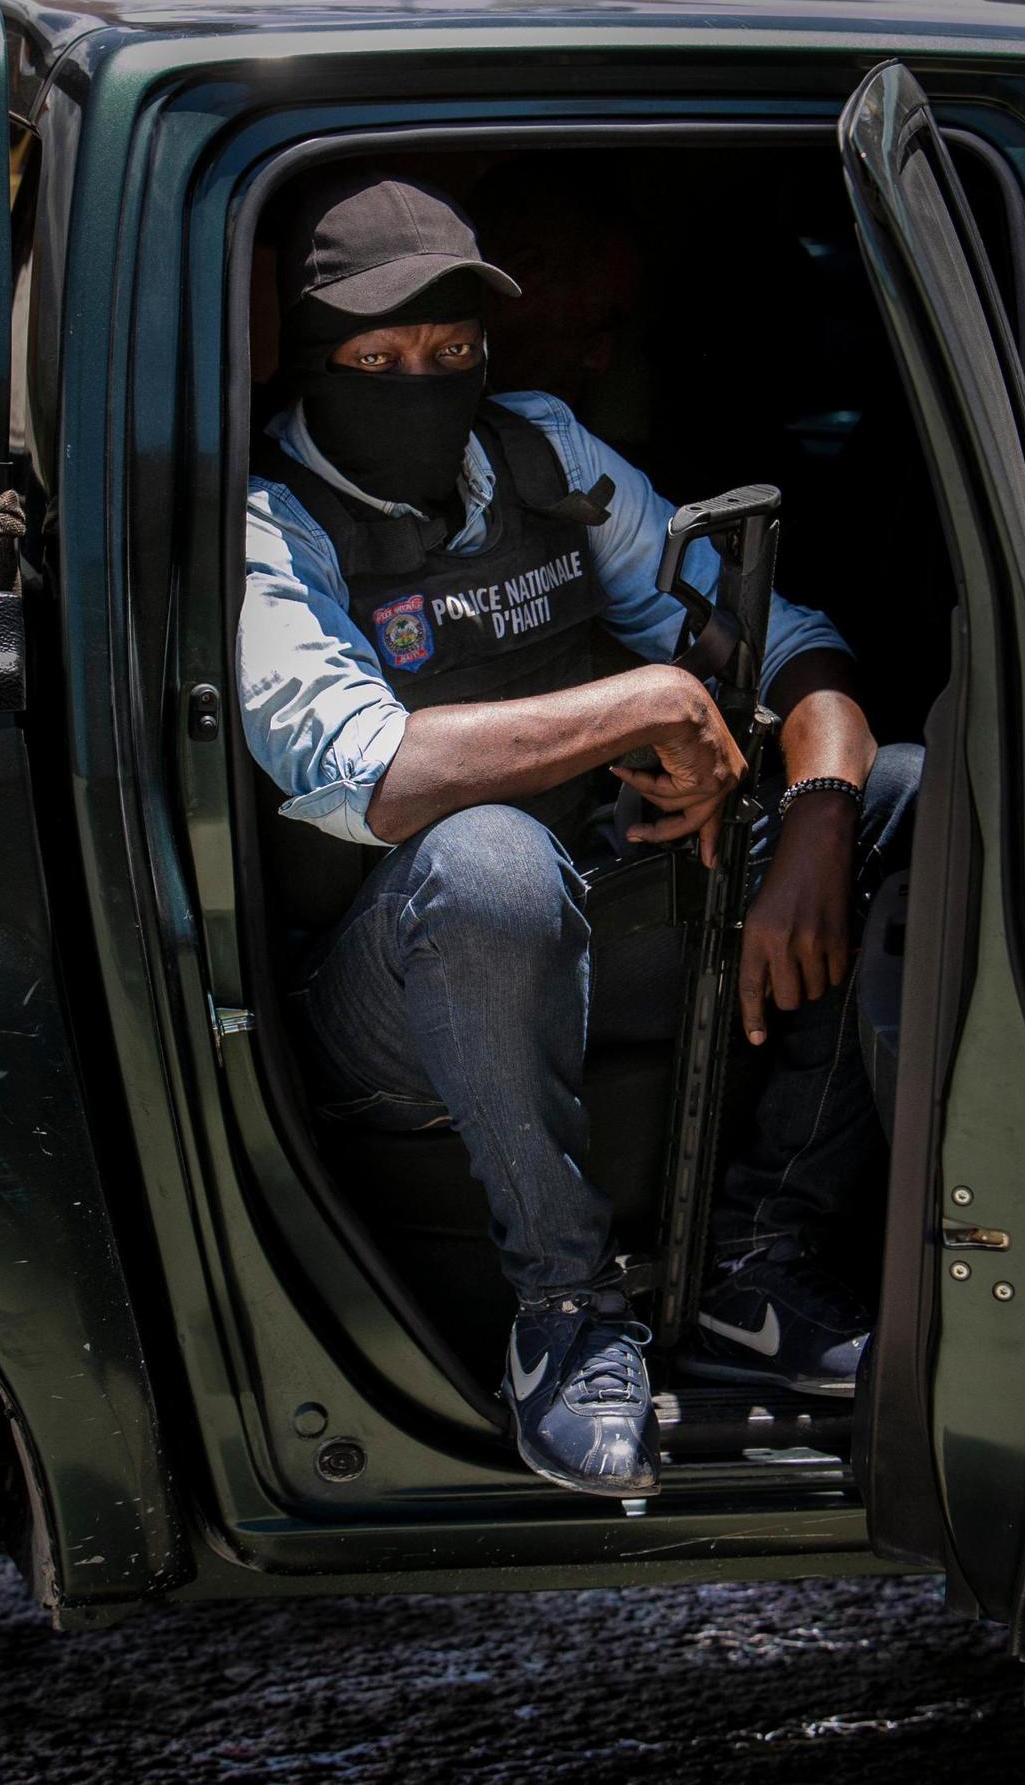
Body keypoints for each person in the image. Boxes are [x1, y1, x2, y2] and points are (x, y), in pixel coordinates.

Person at [239, 167, 921, 1501]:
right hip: (386, 976)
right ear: (311, 364)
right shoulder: (272, 523)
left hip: (588, 902)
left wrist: (824, 814)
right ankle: (566, 1314)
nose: (422, 384)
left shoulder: (541, 452)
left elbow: (792, 649)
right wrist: (645, 702)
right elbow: (367, 772)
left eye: (451, 352)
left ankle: (757, 1273)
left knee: (901, 786)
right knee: (488, 859)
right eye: (378, 359)